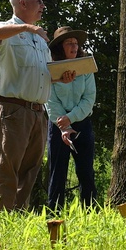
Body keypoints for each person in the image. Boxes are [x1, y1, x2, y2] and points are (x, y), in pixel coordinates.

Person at [0, 0, 74, 211]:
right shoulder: (6, 29)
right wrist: (27, 28)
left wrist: (58, 78)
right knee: (7, 166)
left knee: (31, 169)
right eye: (39, 1)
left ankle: (15, 217)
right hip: (12, 109)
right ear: (23, 3)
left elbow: (38, 72)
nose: (43, 6)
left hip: (37, 112)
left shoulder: (40, 38)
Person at [46, 26, 98, 208]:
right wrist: (63, 125)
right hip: (58, 125)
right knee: (57, 172)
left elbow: (89, 98)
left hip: (82, 124)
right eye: (69, 43)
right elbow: (49, 100)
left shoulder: (86, 67)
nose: (74, 46)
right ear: (60, 46)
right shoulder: (49, 70)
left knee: (86, 172)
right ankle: (53, 216)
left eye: (76, 43)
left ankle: (91, 216)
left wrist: (71, 117)